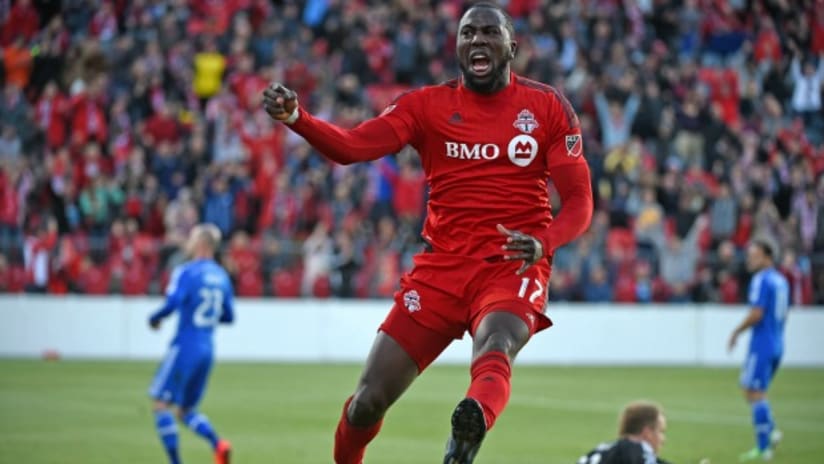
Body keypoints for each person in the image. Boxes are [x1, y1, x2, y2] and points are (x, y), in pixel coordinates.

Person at [263, 3, 593, 463]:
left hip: (512, 262)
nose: (477, 40)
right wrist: (300, 119)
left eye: (489, 33)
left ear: (511, 47)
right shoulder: (426, 106)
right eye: (467, 33)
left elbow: (579, 201)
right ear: (457, 47)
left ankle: (469, 427)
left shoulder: (547, 107)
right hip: (440, 270)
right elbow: (353, 147)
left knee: (497, 344)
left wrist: (544, 243)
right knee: (366, 404)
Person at [147, 223, 234, 464]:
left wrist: (154, 319)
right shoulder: (222, 276)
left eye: (192, 238)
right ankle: (218, 444)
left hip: (185, 345)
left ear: (201, 244)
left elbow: (173, 302)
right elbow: (228, 316)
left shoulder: (186, 271)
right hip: (207, 347)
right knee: (185, 411)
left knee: (161, 404)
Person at [728, 240, 788, 461]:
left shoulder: (762, 279)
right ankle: (771, 431)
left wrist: (736, 331)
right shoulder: (781, 280)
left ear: (767, 256)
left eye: (754, 255)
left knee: (755, 392)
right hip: (778, 342)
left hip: (762, 343)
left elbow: (757, 313)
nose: (750, 259)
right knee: (749, 389)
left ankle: (764, 448)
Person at [576, 401, 671, 464]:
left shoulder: (600, 450)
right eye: (661, 431)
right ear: (647, 432)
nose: (663, 440)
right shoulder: (637, 450)